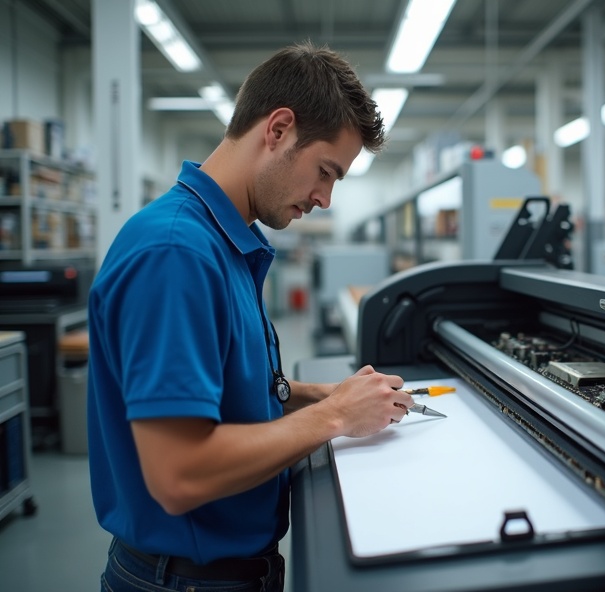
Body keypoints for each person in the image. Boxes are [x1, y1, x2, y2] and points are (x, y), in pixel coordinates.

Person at [87, 41, 414, 592]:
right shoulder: (176, 253)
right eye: (326, 172)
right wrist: (334, 420)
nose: (325, 199)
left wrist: (319, 395)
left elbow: (225, 389)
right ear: (278, 129)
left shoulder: (221, 241)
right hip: (186, 581)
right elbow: (179, 473)